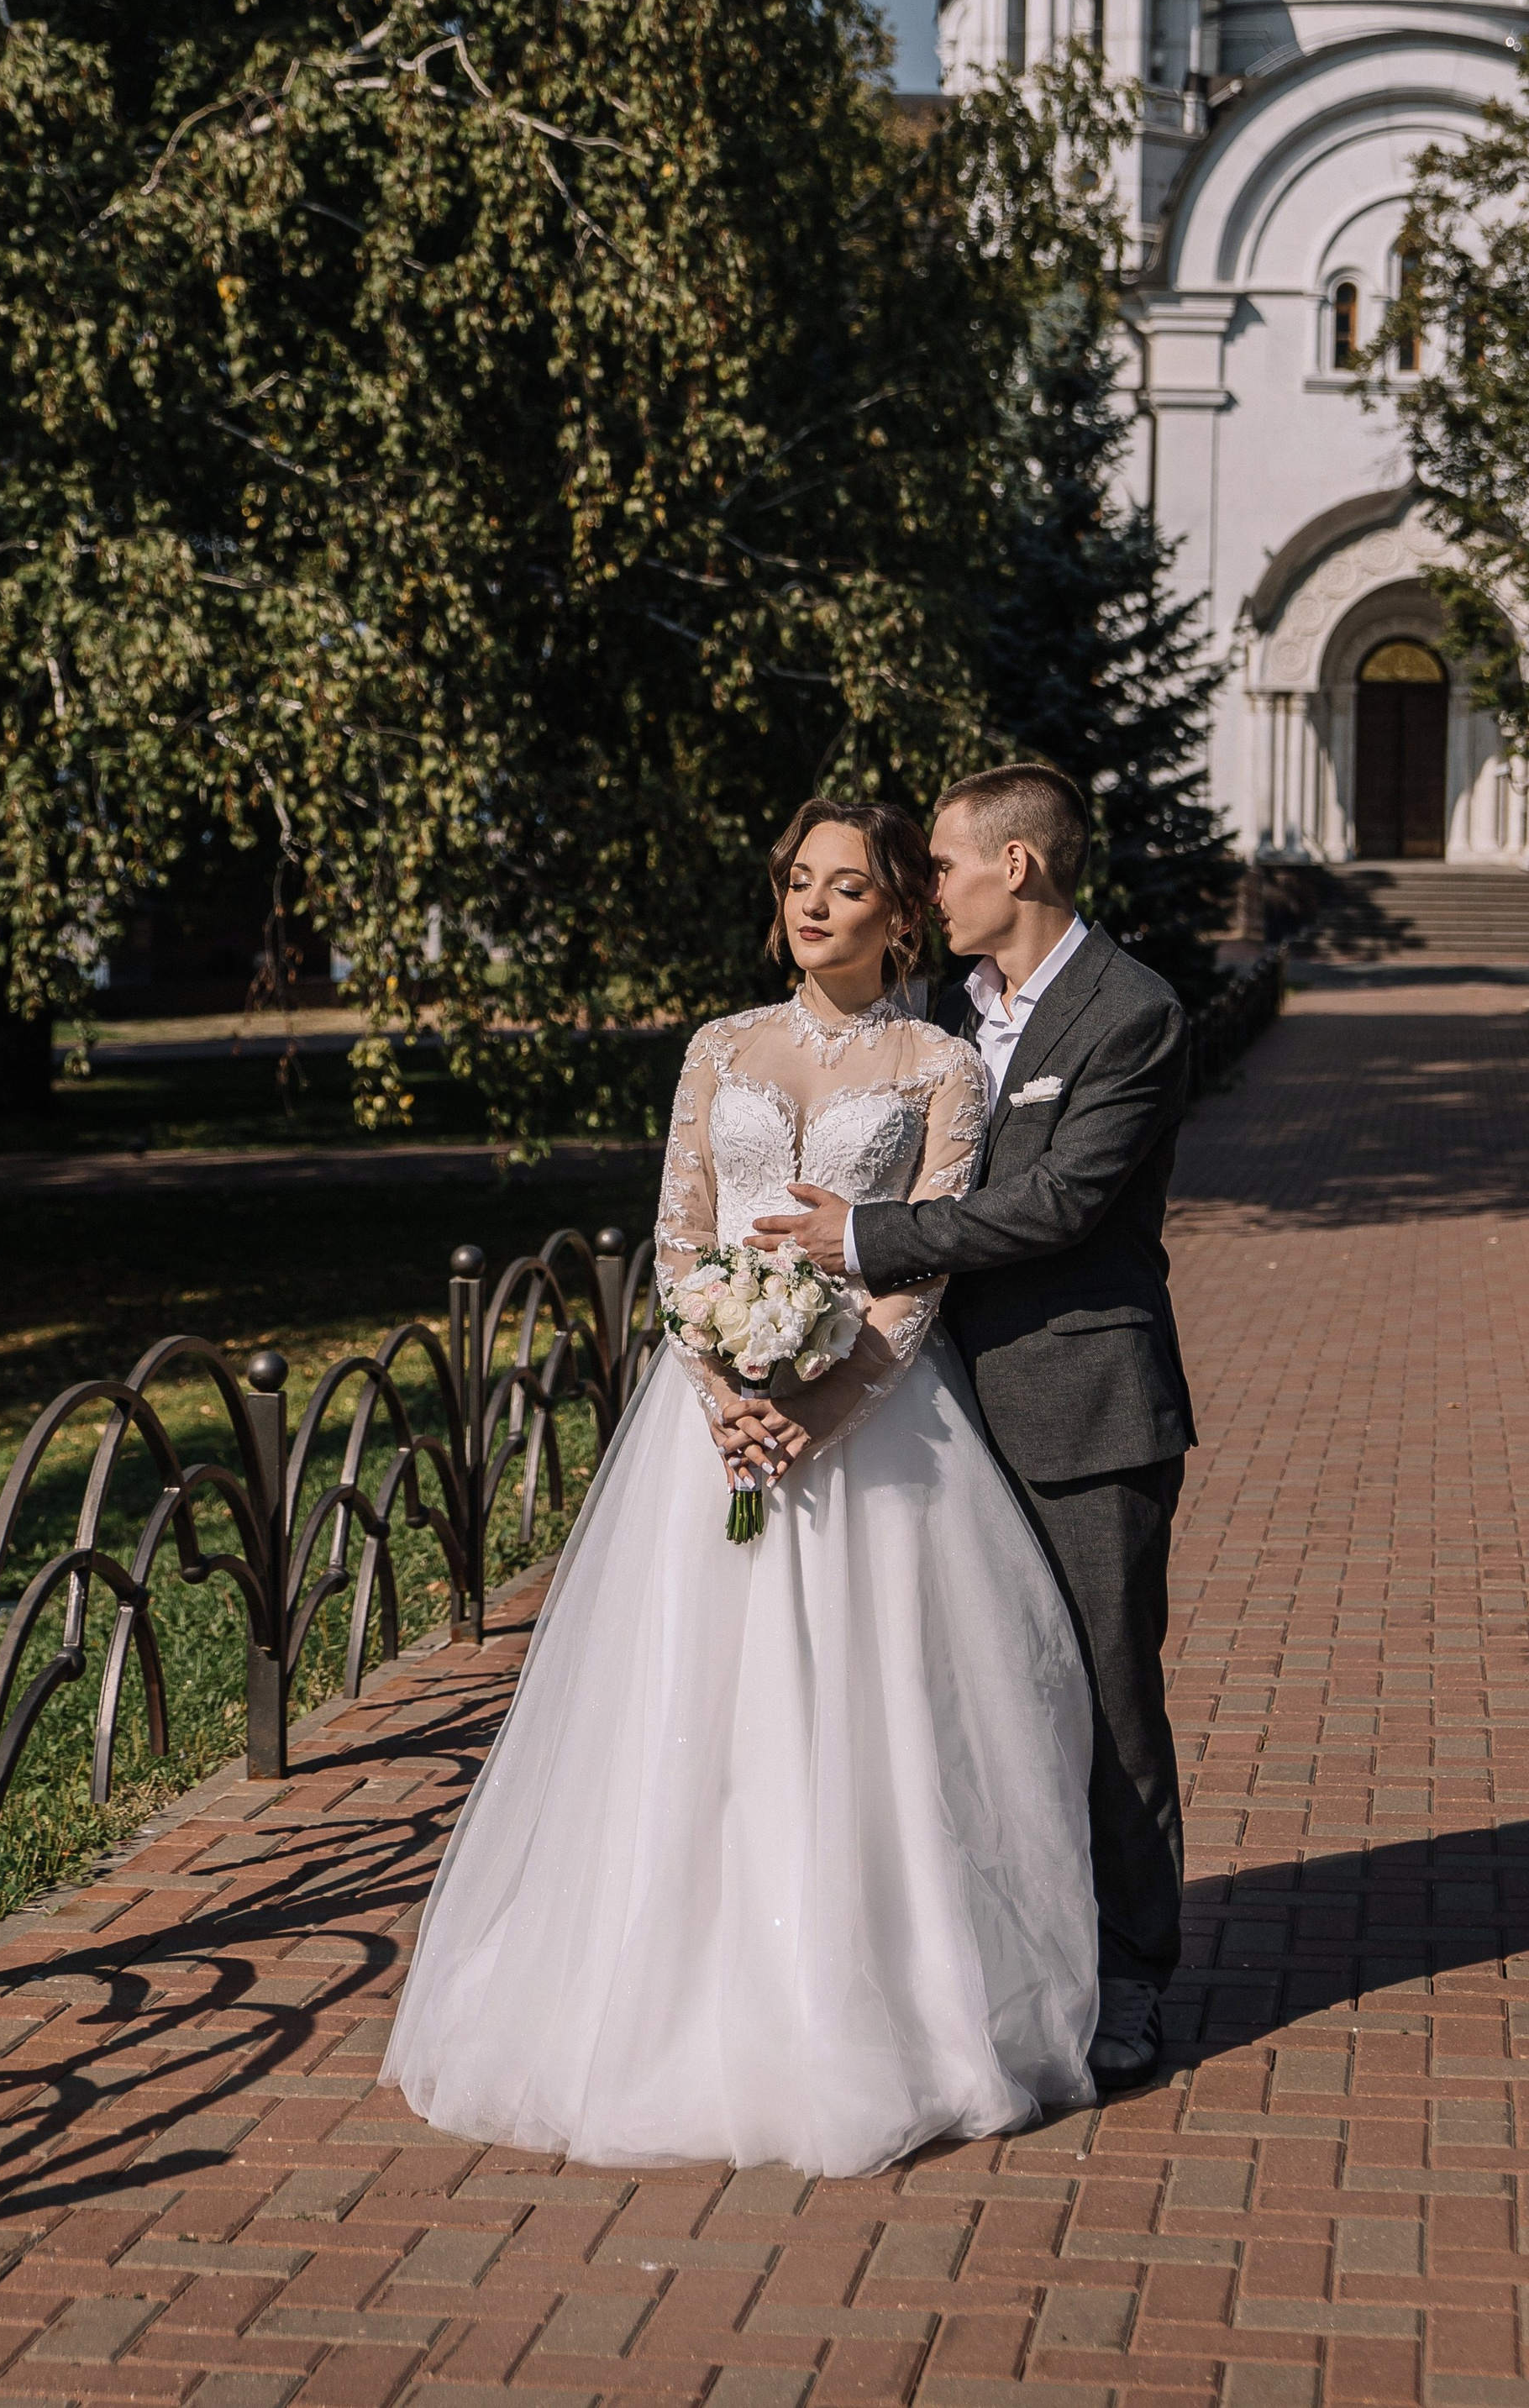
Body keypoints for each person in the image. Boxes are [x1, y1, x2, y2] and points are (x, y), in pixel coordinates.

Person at [380, 797, 1097, 2177]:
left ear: (900, 912)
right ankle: (655, 1998)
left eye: (847, 886)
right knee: (685, 1715)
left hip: (879, 1437)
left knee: (865, 1718)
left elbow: (923, 1267)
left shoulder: (945, 1066)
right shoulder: (719, 1047)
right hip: (707, 1430)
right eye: (797, 883)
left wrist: (818, 1413)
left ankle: (875, 2005)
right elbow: (677, 1237)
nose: (813, 905)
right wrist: (728, 1394)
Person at [758, 764, 1192, 2092]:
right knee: (973, 1707)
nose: (921, 885)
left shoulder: (1135, 1013)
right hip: (934, 1416)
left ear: (1016, 867)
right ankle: (1006, 1959)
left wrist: (866, 1235)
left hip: (1080, 1408)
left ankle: (1130, 1978)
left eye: (940, 863)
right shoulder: (941, 1012)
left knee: (1105, 1704)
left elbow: (1059, 1205)